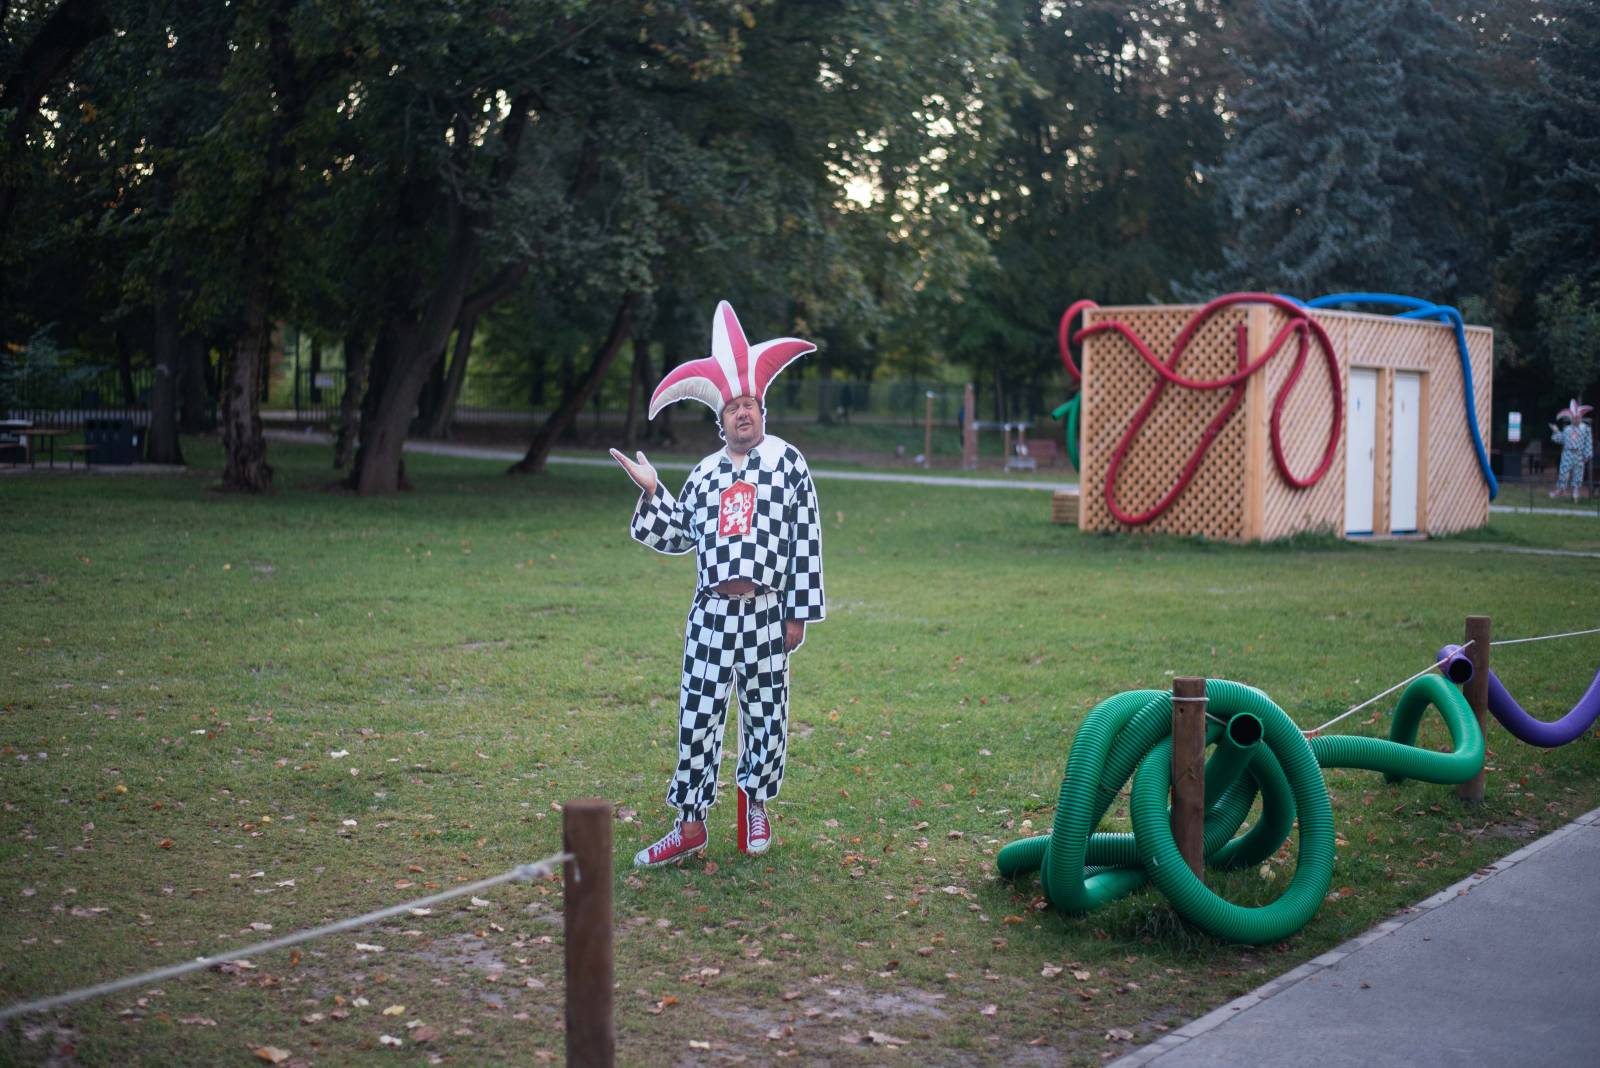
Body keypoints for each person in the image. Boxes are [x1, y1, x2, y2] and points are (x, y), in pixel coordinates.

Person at [609, 302, 826, 868]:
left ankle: (753, 803)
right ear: (719, 420)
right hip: (711, 615)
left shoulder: (787, 463)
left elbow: (805, 538)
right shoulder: (705, 474)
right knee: (698, 714)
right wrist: (655, 490)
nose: (742, 415)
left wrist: (797, 612)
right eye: (732, 409)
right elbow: (682, 535)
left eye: (749, 405)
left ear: (762, 409)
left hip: (766, 613)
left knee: (767, 712)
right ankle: (689, 823)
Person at [1551, 399, 1593, 501]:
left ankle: (1576, 492)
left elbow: (1588, 442)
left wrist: (1587, 455)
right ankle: (1561, 490)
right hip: (1567, 453)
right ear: (1571, 418)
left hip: (1579, 454)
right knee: (1564, 472)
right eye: (1574, 418)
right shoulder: (1567, 429)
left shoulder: (1585, 428)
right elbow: (1561, 439)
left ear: (1581, 417)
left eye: (1578, 417)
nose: (1576, 419)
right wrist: (1556, 431)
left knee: (1578, 473)